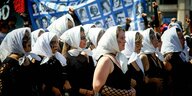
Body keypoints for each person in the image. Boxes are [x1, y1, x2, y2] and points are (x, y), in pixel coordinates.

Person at [92, 26, 136, 95]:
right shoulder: (106, 60)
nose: (125, 41)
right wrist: (126, 93)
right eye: (122, 38)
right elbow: (97, 86)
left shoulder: (118, 57)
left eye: (124, 38)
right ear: (113, 40)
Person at [0, 27, 37, 95]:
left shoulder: (26, 59)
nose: (29, 41)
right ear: (15, 42)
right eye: (25, 39)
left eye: (29, 38)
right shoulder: (7, 65)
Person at [60, 25, 95, 96]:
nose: (86, 40)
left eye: (85, 37)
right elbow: (67, 84)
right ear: (74, 39)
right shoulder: (66, 58)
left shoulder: (87, 53)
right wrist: (85, 92)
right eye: (82, 38)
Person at [161, 27, 192, 96]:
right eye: (181, 38)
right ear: (174, 40)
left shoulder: (180, 54)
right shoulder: (170, 58)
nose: (184, 40)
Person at [140, 28, 168, 96]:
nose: (156, 40)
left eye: (155, 37)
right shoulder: (144, 57)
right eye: (153, 38)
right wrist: (153, 80)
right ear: (147, 41)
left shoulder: (157, 54)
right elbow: (141, 78)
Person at [121, 31, 146, 96]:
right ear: (131, 44)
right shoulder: (123, 62)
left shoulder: (136, 58)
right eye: (139, 43)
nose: (142, 45)